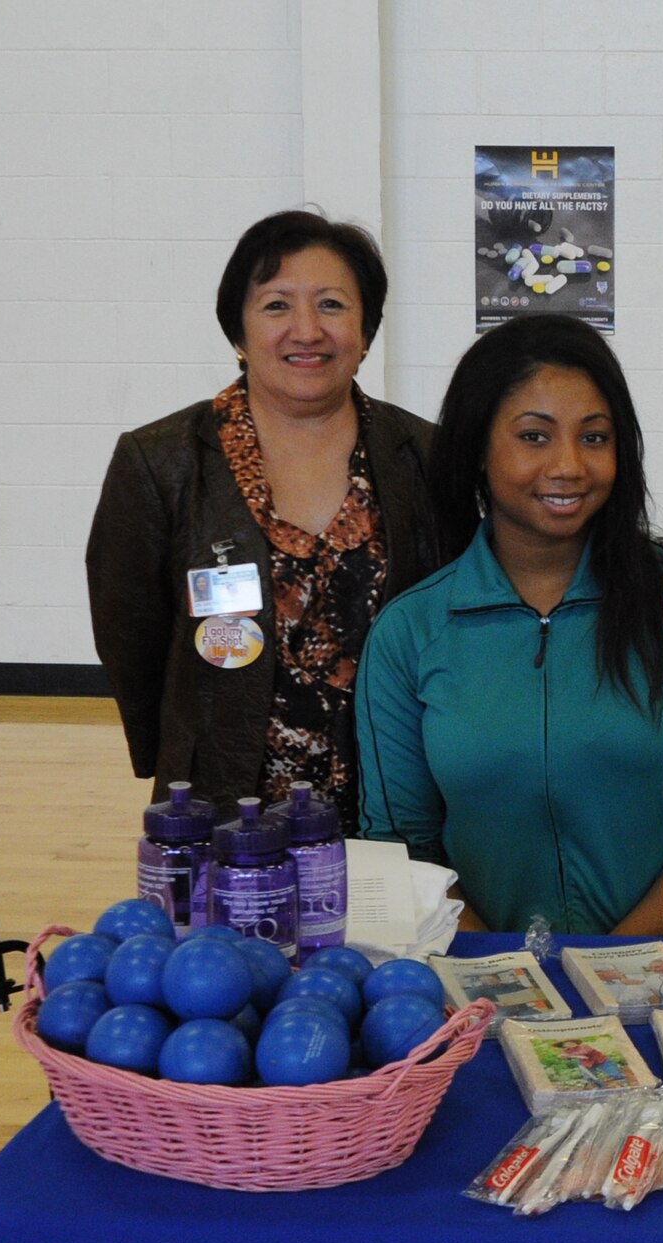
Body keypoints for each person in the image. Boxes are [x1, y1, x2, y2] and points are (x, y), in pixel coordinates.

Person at [355, 315, 663, 936]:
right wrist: (503, 970)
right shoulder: (408, 632)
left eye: (595, 438)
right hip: (480, 981)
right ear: (476, 450)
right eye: (534, 437)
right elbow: (401, 842)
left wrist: (614, 963)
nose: (570, 465)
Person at [86, 211, 440, 825]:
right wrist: (172, 751)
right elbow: (129, 634)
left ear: (366, 328)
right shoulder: (159, 460)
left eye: (331, 304)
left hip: (397, 793)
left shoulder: (427, 456)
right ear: (239, 332)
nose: (307, 330)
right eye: (276, 306)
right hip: (222, 799)